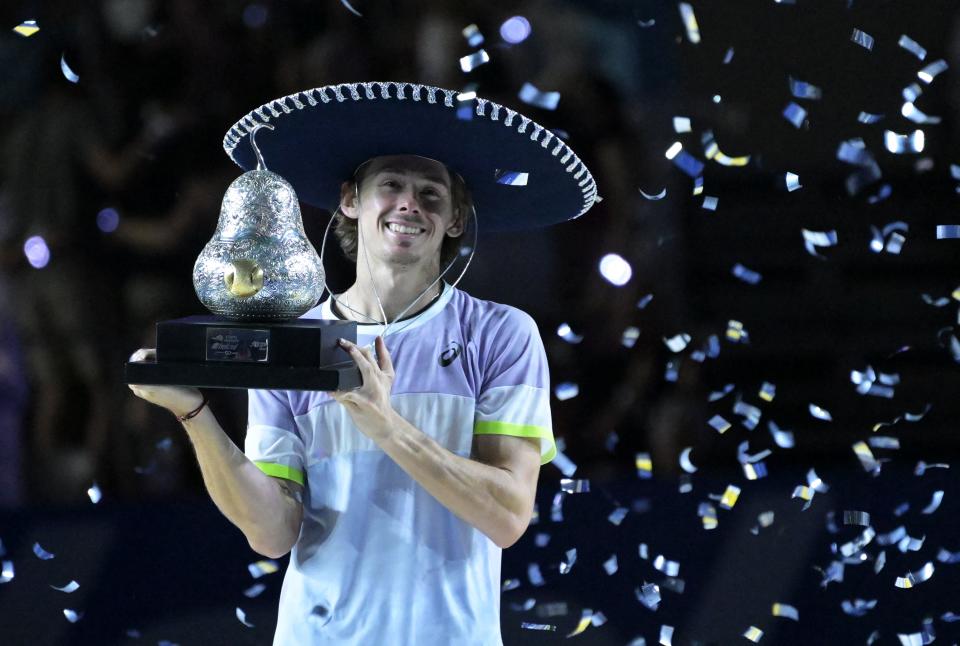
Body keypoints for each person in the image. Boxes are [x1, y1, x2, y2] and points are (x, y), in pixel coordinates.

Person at [130, 81, 598, 644]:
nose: (409, 205)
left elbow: (507, 516)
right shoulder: (292, 342)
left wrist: (386, 425)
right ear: (350, 200)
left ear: (454, 219)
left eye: (431, 194)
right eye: (391, 186)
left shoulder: (501, 334)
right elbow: (273, 533)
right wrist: (195, 414)